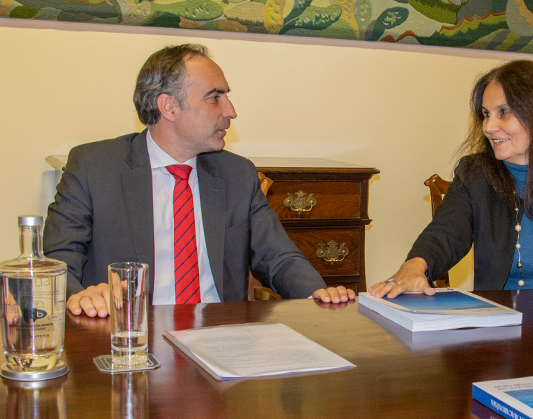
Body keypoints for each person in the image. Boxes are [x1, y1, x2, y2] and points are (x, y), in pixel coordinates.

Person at [44, 43, 354, 317]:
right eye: (214, 98)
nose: (231, 111)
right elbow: (57, 261)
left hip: (220, 336)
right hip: (132, 335)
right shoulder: (95, 167)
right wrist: (81, 296)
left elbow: (278, 257)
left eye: (226, 96)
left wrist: (316, 294)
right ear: (169, 107)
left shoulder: (236, 174)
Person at [370, 60, 533, 298]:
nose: (488, 127)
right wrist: (414, 266)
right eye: (486, 114)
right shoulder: (475, 175)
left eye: (503, 112)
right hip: (503, 322)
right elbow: (446, 232)